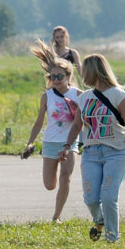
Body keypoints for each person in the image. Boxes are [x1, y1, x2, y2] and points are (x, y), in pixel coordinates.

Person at [59, 54, 125, 243]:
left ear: (94, 70)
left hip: (116, 152)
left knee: (108, 197)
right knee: (90, 198)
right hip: (90, 153)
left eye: (84, 69)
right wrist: (67, 146)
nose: (81, 73)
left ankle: (112, 238)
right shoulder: (85, 97)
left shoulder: (119, 95)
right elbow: (76, 126)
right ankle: (100, 221)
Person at [21, 40, 80, 222]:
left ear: (68, 77)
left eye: (59, 77)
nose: (55, 80)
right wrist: (30, 142)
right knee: (49, 184)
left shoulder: (78, 94)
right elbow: (39, 122)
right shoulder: (46, 96)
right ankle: (56, 207)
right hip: (50, 142)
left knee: (65, 178)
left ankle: (56, 216)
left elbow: (84, 121)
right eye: (52, 77)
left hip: (70, 142)